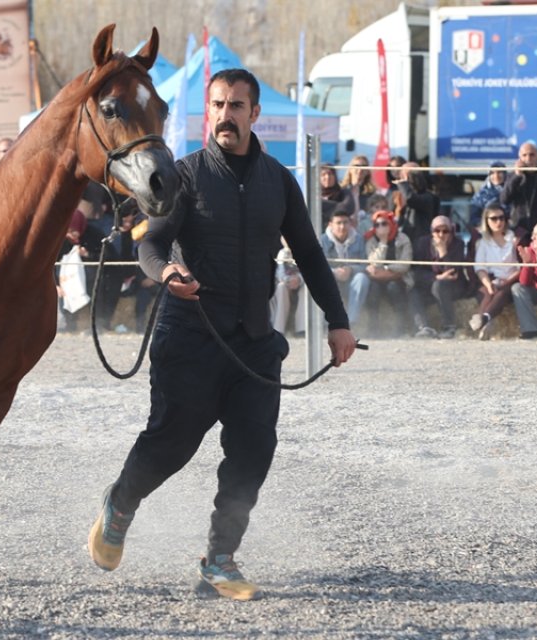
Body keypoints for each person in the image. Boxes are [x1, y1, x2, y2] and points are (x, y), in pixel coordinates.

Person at [87, 68, 356, 602]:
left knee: (254, 450)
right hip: (189, 336)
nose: (225, 115)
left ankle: (220, 559)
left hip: (254, 341)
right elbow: (151, 244)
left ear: (255, 114)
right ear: (207, 112)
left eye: (236, 106)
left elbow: (308, 252)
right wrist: (165, 273)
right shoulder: (183, 176)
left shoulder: (280, 181)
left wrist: (338, 321)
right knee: (172, 444)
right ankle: (119, 504)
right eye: (217, 105)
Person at [411, 215, 471, 339]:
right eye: (437, 231)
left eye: (445, 231)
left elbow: (452, 273)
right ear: (431, 232)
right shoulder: (422, 243)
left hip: (453, 287)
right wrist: (437, 277)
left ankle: (449, 326)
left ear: (451, 231)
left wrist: (443, 251)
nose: (441, 234)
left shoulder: (458, 244)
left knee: (439, 286)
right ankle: (423, 327)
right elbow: (417, 272)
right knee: (413, 291)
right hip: (431, 284)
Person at [469, 202, 520, 340]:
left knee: (502, 292)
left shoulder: (514, 239)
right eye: (494, 218)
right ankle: (485, 322)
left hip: (511, 280)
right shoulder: (483, 242)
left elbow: (521, 267)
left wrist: (506, 281)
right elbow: (480, 267)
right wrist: (487, 284)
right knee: (488, 292)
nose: (499, 222)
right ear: (486, 221)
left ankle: (483, 319)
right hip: (490, 279)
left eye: (501, 218)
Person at [363, 209, 414, 336]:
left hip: (398, 279)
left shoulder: (403, 238)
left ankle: (400, 328)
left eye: (384, 223)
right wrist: (383, 242)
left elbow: (405, 265)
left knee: (394, 288)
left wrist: (385, 270)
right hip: (377, 280)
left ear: (391, 223)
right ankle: (373, 328)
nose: (380, 227)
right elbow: (374, 263)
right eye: (377, 224)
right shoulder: (371, 241)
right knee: (373, 290)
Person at [320, 208, 369, 325]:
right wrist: (334, 272)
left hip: (351, 281)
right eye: (338, 223)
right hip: (331, 280)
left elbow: (365, 264)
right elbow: (318, 266)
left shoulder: (359, 239)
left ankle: (350, 322)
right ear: (331, 225)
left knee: (362, 278)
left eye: (345, 222)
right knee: (322, 280)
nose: (342, 226)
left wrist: (351, 269)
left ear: (350, 223)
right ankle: (328, 323)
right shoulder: (322, 240)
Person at [398, 164, 440, 247]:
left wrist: (403, 184)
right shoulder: (399, 195)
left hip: (421, 241)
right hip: (404, 240)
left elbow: (411, 199)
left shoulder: (428, 197)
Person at [468, 161, 508, 230]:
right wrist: (488, 225)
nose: (496, 176)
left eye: (499, 172)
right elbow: (474, 218)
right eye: (492, 173)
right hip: (487, 232)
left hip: (509, 233)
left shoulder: (512, 191)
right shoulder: (481, 194)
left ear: (505, 174)